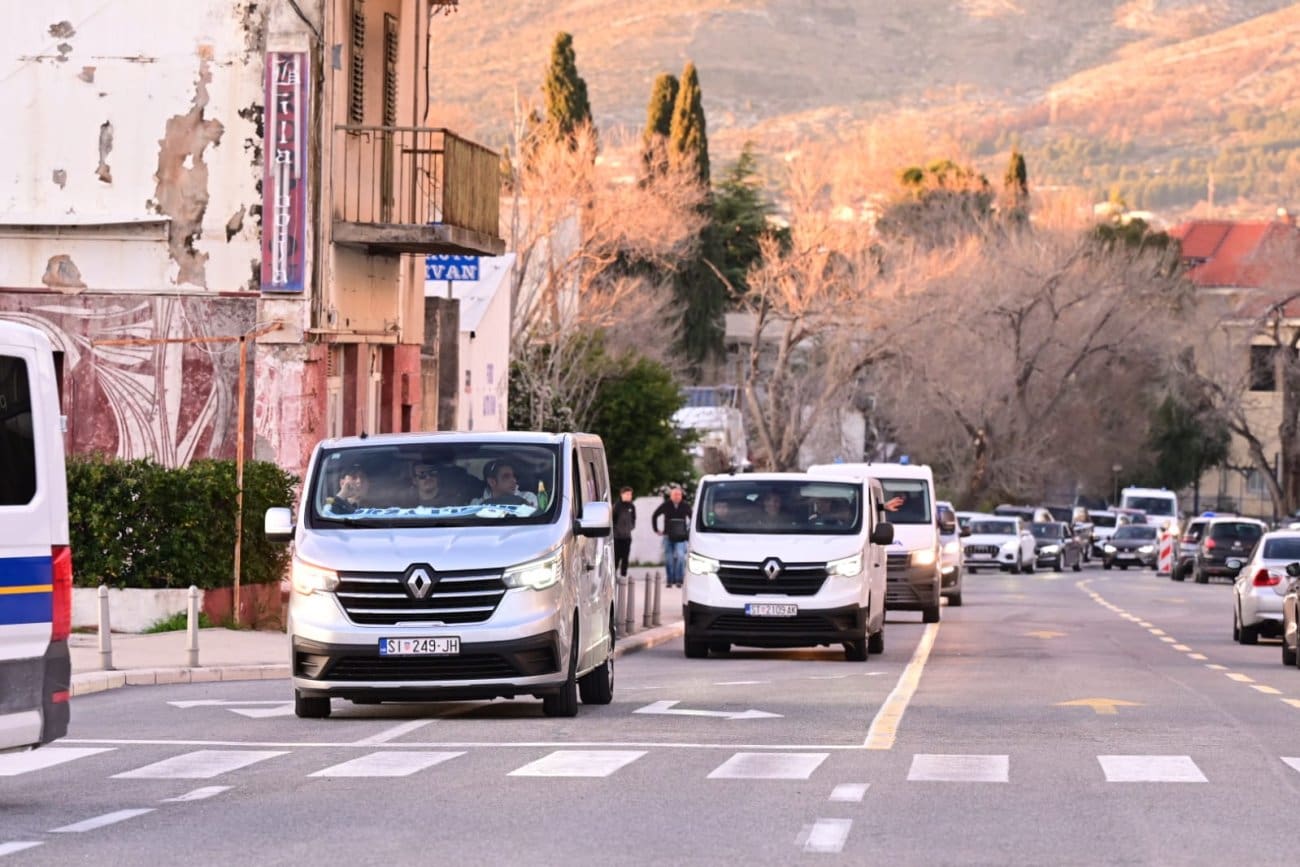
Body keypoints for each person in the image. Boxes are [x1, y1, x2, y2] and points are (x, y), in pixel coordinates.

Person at [652, 484, 691, 587]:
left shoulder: (685, 505)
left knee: (681, 557)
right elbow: (655, 515)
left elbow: (693, 518)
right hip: (667, 536)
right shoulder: (666, 505)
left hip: (681, 536)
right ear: (671, 496)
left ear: (681, 496)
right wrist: (656, 530)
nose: (677, 496)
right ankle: (670, 580)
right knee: (668, 559)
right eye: (675, 494)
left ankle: (679, 580)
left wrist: (688, 531)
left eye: (679, 494)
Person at [472, 458, 539, 507]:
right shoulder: (477, 504)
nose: (514, 480)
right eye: (506, 476)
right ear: (492, 482)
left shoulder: (528, 497)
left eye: (514, 476)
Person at [612, 486, 636, 581]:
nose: (629, 496)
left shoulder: (631, 506)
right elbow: (612, 521)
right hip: (617, 537)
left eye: (630, 494)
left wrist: (631, 527)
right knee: (616, 557)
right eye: (627, 494)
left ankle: (623, 575)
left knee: (625, 557)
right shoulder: (617, 506)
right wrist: (617, 530)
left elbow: (633, 519)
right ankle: (613, 575)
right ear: (622, 494)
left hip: (627, 537)